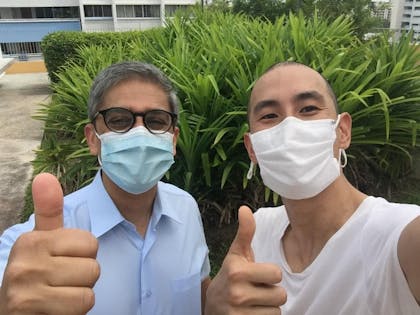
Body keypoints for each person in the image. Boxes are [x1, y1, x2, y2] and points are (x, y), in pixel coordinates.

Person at [204, 61, 420, 314]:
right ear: (252, 148)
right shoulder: (258, 230)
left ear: (342, 131)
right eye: (269, 116)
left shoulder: (399, 235)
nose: (290, 127)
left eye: (308, 109)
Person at [0, 61, 211, 315]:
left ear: (173, 140)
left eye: (156, 121)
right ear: (93, 139)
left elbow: (202, 298)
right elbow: (14, 285)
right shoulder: (34, 244)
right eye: (119, 120)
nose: (140, 133)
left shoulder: (186, 208)